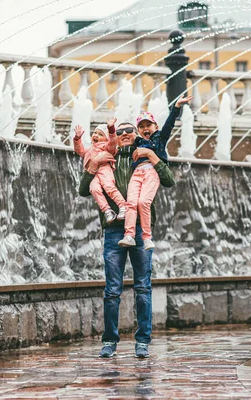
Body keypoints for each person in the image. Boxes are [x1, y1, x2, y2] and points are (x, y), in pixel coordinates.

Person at [78, 121, 175, 359]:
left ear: (136, 134)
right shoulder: (105, 155)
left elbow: (169, 179)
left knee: (143, 287)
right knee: (112, 290)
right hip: (114, 231)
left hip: (141, 231)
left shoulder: (144, 155)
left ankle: (142, 341)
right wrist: (91, 167)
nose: (124, 135)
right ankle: (110, 341)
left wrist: (152, 155)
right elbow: (83, 190)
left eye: (128, 131)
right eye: (119, 132)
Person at [118, 95, 193, 250]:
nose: (146, 128)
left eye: (149, 125)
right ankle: (129, 235)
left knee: (143, 202)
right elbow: (118, 141)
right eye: (142, 126)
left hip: (151, 171)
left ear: (155, 127)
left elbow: (169, 124)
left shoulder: (160, 138)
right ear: (138, 130)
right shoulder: (137, 142)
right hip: (137, 172)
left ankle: (147, 238)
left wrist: (176, 107)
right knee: (130, 203)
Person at [73, 118, 126, 223]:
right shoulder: (89, 149)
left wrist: (111, 129)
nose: (96, 135)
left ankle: (123, 206)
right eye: (95, 133)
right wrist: (77, 138)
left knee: (109, 187)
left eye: (100, 134)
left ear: (106, 139)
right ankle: (107, 210)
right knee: (94, 189)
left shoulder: (106, 147)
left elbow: (113, 142)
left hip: (104, 169)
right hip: (94, 173)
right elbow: (79, 150)